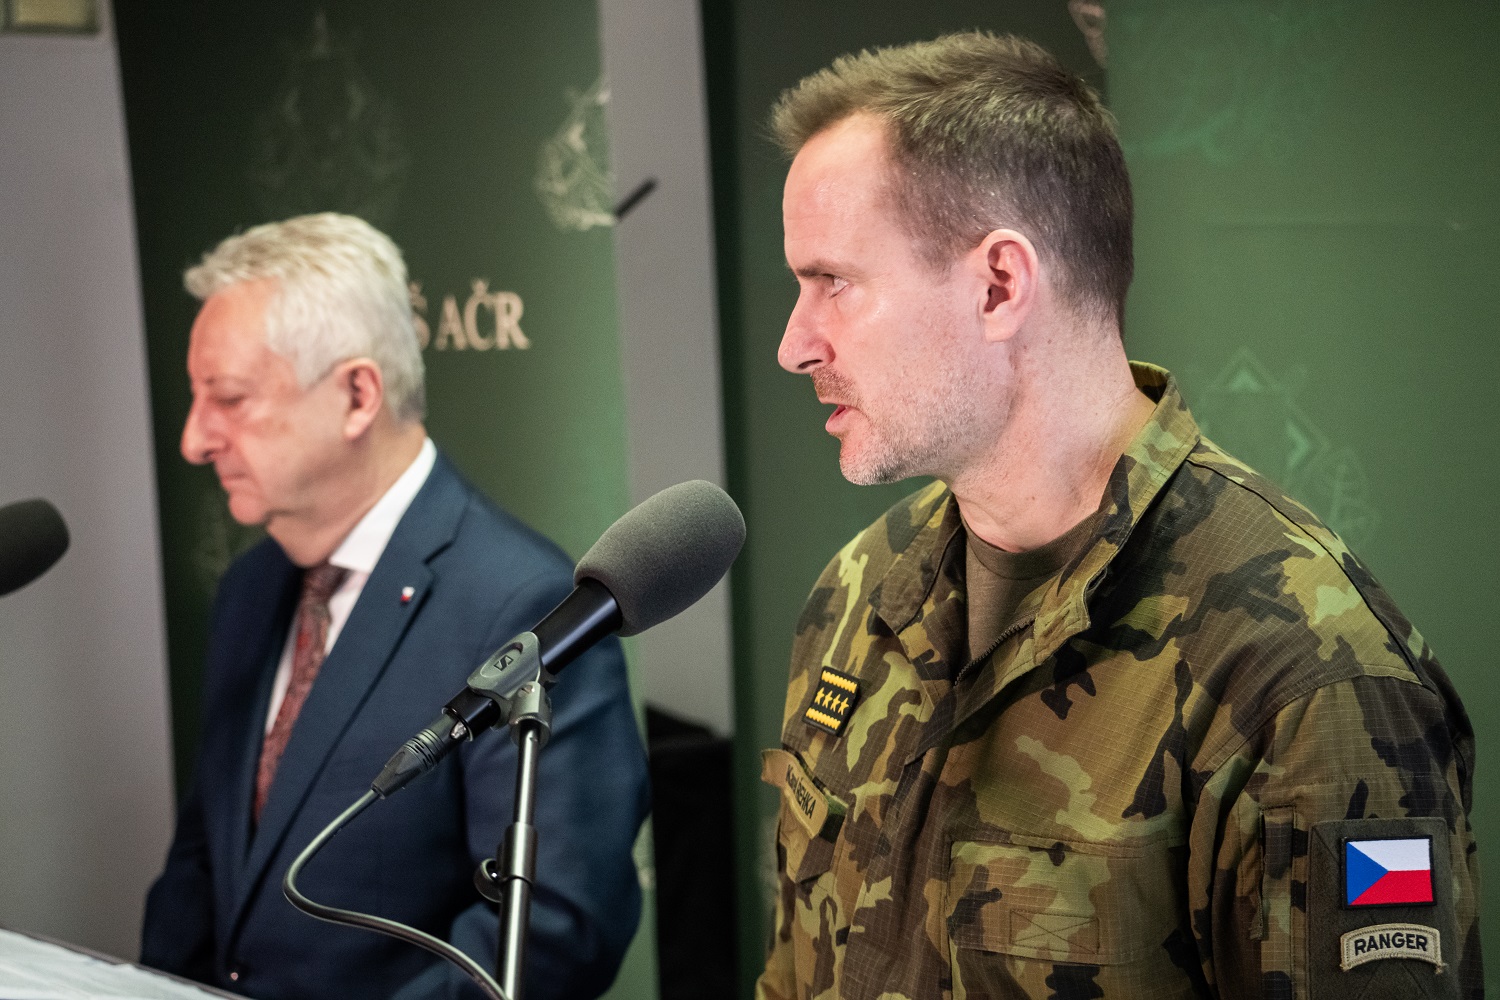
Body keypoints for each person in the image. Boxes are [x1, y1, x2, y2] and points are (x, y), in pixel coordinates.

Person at [759, 32, 1480, 1000]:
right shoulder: (860, 591)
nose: (795, 344)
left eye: (834, 283)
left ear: (999, 285)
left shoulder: (1305, 676)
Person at [140, 213, 649, 1000]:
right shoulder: (250, 589)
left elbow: (552, 928)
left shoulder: (523, 604)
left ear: (356, 395)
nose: (194, 440)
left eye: (229, 399)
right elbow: (207, 861)